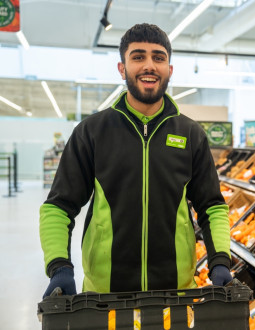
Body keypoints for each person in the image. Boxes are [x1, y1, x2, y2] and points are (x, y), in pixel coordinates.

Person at [40, 23, 232, 297]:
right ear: (122, 68)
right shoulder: (92, 132)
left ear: (170, 69)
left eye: (159, 57)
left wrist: (220, 261)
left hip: (175, 295)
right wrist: (59, 267)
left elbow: (212, 206)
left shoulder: (191, 134)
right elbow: (58, 207)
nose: (149, 66)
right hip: (104, 294)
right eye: (138, 57)